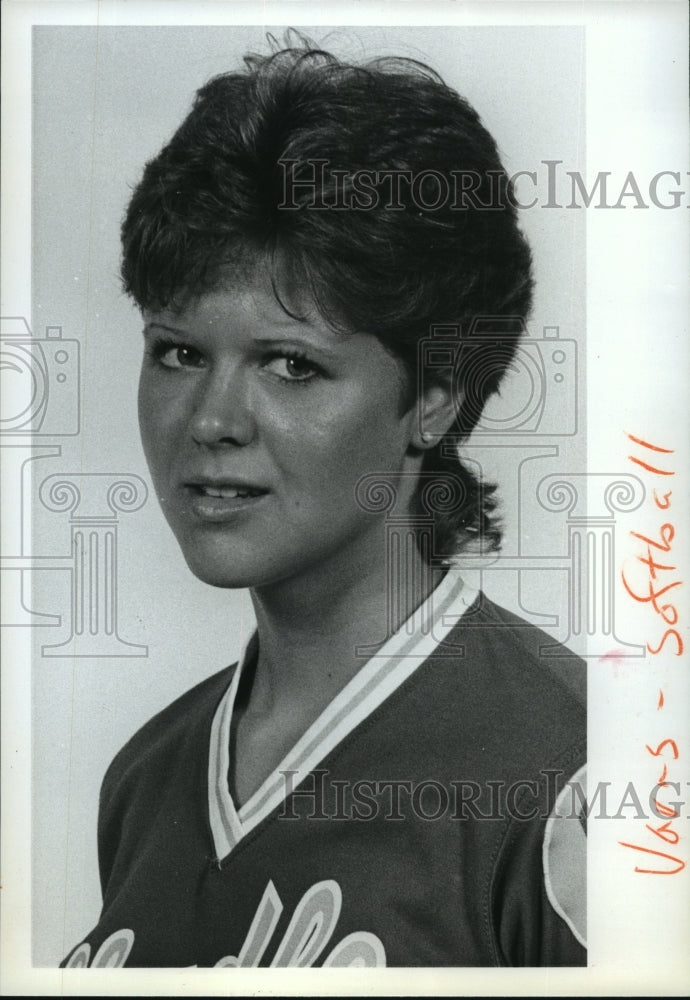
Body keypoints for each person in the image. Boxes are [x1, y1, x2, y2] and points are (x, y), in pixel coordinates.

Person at [61, 38, 586, 969]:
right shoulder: (146, 778)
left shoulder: (576, 765)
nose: (213, 420)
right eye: (178, 352)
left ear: (435, 395)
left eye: (292, 365)